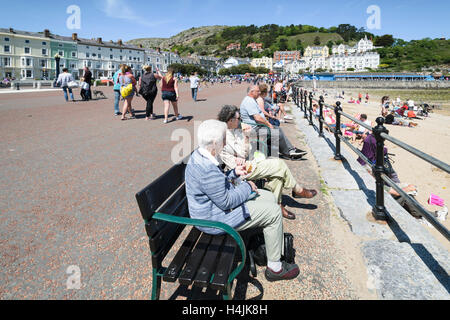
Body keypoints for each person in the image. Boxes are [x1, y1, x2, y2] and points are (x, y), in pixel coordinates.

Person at [185, 119, 300, 282]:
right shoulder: (205, 168)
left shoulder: (203, 155)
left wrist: (233, 173)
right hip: (214, 220)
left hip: (215, 210)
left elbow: (217, 186)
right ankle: (275, 268)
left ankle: (268, 244)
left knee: (268, 196)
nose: (225, 143)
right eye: (224, 139)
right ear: (214, 142)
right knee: (274, 212)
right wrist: (247, 187)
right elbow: (226, 202)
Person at [218, 105, 317, 220]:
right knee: (279, 165)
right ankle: (297, 190)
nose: (240, 121)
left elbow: (247, 151)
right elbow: (236, 163)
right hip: (239, 172)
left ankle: (277, 205)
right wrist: (246, 139)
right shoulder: (224, 135)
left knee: (277, 176)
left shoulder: (236, 129)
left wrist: (246, 140)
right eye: (238, 118)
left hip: (247, 164)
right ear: (230, 120)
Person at [240, 85, 306, 160]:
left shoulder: (251, 100)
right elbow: (257, 118)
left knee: (278, 129)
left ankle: (290, 150)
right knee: (276, 131)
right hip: (254, 129)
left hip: (257, 126)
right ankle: (288, 151)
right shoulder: (249, 101)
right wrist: (268, 124)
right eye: (258, 91)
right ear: (252, 92)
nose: (259, 92)